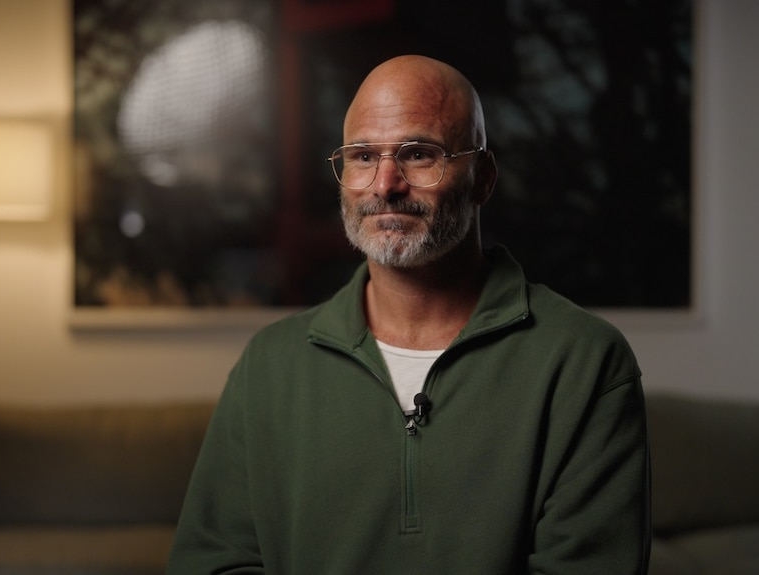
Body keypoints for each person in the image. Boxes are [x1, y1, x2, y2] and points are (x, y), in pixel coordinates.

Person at [167, 55, 650, 574]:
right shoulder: (268, 366)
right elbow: (213, 564)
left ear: (482, 177)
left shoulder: (585, 363)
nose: (385, 184)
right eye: (362, 156)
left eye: (419, 154)